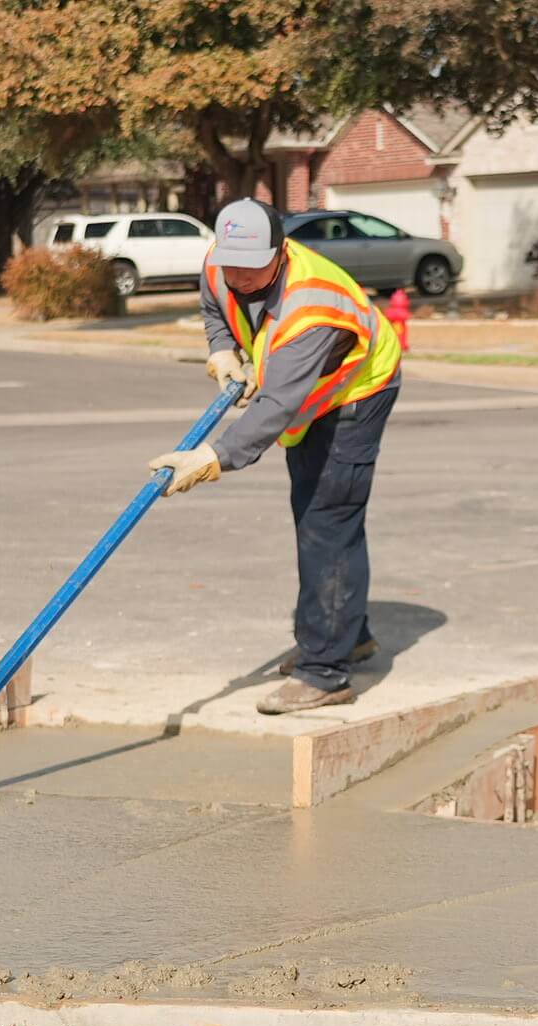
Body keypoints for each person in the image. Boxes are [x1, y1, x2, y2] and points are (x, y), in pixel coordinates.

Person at [149, 199, 402, 715]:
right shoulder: (221, 266)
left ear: (280, 250)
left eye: (252, 263)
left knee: (327, 519)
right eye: (230, 262)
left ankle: (325, 672)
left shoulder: (311, 306)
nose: (238, 275)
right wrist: (222, 350)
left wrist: (213, 457)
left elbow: (277, 406)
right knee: (315, 515)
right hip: (309, 398)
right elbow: (214, 307)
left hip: (356, 392)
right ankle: (345, 636)